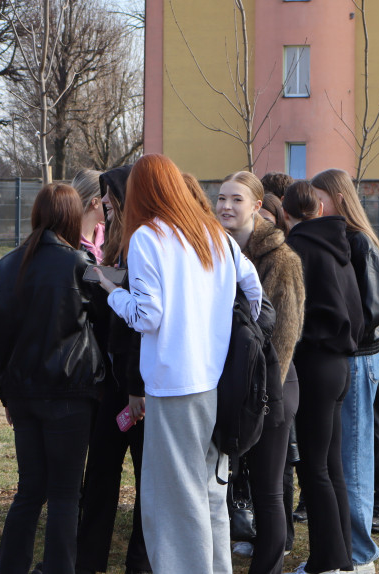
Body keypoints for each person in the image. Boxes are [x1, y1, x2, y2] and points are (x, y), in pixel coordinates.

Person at [94, 154, 262, 574]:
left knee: (173, 499)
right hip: (214, 378)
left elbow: (148, 316)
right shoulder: (210, 232)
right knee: (207, 489)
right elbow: (252, 284)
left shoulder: (148, 237)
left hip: (174, 385)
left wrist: (109, 289)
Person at [0, 183, 105, 574]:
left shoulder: (5, 267)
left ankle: (12, 568)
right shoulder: (81, 265)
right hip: (71, 394)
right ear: (71, 216)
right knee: (65, 494)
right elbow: (106, 325)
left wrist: (7, 395)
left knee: (29, 491)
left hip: (24, 395)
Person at [216, 171, 305, 574]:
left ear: (257, 206)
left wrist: (261, 397)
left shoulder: (281, 259)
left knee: (269, 490)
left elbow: (285, 336)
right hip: (230, 385)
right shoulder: (214, 253)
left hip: (271, 385)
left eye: (236, 199)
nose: (226, 207)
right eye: (220, 199)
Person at [311, 168, 379, 573]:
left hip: (359, 357)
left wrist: (344, 333)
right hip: (348, 357)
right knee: (341, 456)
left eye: (318, 198)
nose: (313, 206)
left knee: (355, 458)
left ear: (336, 198)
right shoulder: (334, 238)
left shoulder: (358, 241)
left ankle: (361, 553)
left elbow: (378, 307)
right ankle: (348, 547)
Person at [281, 180, 364, 574]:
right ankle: (340, 557)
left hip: (314, 363)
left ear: (285, 213)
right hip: (341, 363)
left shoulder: (298, 249)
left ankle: (326, 561)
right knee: (330, 467)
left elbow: (291, 317)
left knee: (314, 467)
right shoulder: (340, 245)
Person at [76, 165, 153, 574]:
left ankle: (139, 566)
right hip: (114, 386)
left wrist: (136, 388)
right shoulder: (118, 245)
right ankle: (87, 562)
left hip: (138, 391)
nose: (102, 202)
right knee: (100, 477)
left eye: (109, 195)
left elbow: (143, 325)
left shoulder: (145, 245)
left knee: (146, 487)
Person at [72, 169, 105, 261]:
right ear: (95, 202)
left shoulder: (110, 236)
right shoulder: (66, 240)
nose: (111, 202)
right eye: (107, 196)